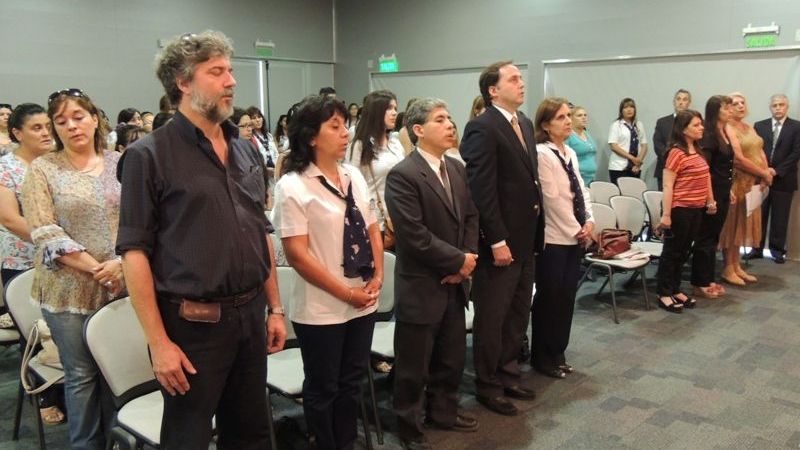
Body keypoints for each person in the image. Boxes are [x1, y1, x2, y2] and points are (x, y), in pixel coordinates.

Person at [116, 30, 286, 450]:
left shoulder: (244, 149)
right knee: (188, 437)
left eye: (230, 70)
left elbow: (260, 231)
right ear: (183, 81)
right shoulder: (148, 156)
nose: (231, 81)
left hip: (250, 314)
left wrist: (276, 308)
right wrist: (159, 344)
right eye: (217, 72)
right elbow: (134, 254)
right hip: (193, 325)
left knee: (251, 432)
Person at [272, 94, 383, 450]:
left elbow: (373, 229)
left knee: (352, 382)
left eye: (344, 125)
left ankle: (346, 442)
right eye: (333, 126)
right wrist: (346, 292)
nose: (345, 132)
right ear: (311, 137)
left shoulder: (353, 176)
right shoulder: (293, 186)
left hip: (362, 296)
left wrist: (377, 276)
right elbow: (298, 255)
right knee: (323, 387)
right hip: (321, 307)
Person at [22, 88, 123, 450]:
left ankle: (120, 440)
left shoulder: (119, 162)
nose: (71, 126)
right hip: (69, 288)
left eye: (78, 117)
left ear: (95, 119)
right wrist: (99, 268)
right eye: (61, 121)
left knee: (119, 373)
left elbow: (144, 219)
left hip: (123, 282)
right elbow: (44, 230)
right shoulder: (43, 169)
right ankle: (86, 445)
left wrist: (123, 264)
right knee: (82, 375)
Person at [385, 98, 480, 450]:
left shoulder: (456, 168)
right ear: (419, 130)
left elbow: (472, 216)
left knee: (451, 355)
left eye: (450, 117)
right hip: (422, 284)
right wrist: (457, 261)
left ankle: (444, 411)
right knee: (414, 365)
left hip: (455, 282)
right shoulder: (403, 174)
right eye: (440, 119)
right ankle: (408, 425)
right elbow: (414, 235)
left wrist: (467, 259)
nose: (450, 124)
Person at [460, 60, 543, 416]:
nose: (521, 84)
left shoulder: (522, 123)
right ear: (493, 90)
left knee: (517, 312)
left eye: (521, 78)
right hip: (501, 241)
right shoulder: (482, 127)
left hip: (527, 238)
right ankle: (488, 384)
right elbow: (482, 190)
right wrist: (495, 239)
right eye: (513, 79)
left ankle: (508, 373)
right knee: (492, 317)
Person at [1, 103, 65, 425]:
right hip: (23, 259)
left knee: (62, 329)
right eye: (36, 128)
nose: (45, 133)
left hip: (61, 259)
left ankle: (69, 389)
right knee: (37, 331)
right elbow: (10, 219)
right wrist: (56, 240)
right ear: (17, 133)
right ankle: (44, 396)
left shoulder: (55, 163)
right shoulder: (6, 169)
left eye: (46, 126)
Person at [531, 97, 594, 378]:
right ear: (545, 125)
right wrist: (576, 229)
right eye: (561, 118)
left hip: (574, 236)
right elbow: (552, 199)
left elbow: (581, 190)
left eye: (569, 115)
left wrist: (589, 221)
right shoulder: (542, 153)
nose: (568, 121)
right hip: (555, 238)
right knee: (550, 299)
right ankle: (542, 357)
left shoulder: (568, 151)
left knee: (567, 298)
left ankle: (558, 352)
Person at [656, 109, 715, 313]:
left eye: (701, 124)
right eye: (696, 125)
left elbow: (706, 176)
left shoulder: (698, 150)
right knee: (672, 252)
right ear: (683, 129)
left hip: (696, 209)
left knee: (683, 252)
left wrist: (710, 199)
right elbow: (668, 186)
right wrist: (666, 215)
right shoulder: (675, 152)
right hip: (680, 209)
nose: (701, 128)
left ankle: (675, 288)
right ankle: (663, 292)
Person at [719, 92, 772, 285]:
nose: (741, 106)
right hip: (737, 182)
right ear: (728, 108)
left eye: (743, 102)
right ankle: (727, 268)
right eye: (735, 103)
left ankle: (737, 265)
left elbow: (759, 150)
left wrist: (766, 171)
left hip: (753, 183)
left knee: (742, 225)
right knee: (732, 226)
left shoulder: (748, 127)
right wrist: (763, 172)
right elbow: (738, 159)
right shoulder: (727, 127)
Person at [691, 95, 734, 299]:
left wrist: (729, 189)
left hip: (723, 191)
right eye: (726, 108)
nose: (730, 111)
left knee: (714, 238)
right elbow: (705, 169)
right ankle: (700, 283)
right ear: (716, 111)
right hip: (711, 194)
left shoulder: (723, 132)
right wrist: (710, 198)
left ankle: (709, 279)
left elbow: (725, 167)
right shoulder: (708, 135)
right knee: (705, 238)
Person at [750, 94, 800, 264]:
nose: (778, 108)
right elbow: (755, 151)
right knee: (759, 215)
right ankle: (756, 248)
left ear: (787, 107)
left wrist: (775, 171)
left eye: (781, 105)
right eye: (775, 105)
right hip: (761, 178)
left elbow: (796, 153)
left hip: (784, 179)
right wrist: (763, 171)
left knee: (780, 217)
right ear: (770, 107)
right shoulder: (759, 126)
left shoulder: (796, 127)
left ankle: (777, 250)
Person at [347, 90, 404, 237]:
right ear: (376, 112)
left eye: (395, 109)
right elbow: (353, 187)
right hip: (375, 219)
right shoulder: (360, 145)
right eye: (389, 108)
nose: (394, 113)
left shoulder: (395, 142)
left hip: (402, 215)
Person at [653, 89, 692, 190]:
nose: (681, 102)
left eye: (684, 99)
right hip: (665, 168)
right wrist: (671, 159)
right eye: (678, 99)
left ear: (689, 103)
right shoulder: (662, 122)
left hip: (687, 173)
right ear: (674, 102)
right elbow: (658, 145)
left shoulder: (695, 123)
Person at [607, 97, 648, 184]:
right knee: (620, 195)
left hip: (636, 168)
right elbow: (613, 146)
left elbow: (644, 145)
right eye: (626, 107)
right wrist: (632, 158)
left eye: (631, 107)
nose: (629, 110)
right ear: (621, 110)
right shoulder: (616, 125)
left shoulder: (639, 124)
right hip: (619, 167)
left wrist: (638, 162)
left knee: (633, 195)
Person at [565, 105, 597, 184]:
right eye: (579, 115)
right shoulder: (568, 135)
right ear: (571, 118)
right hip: (577, 179)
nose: (583, 117)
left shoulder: (586, 134)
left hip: (591, 178)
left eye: (585, 115)